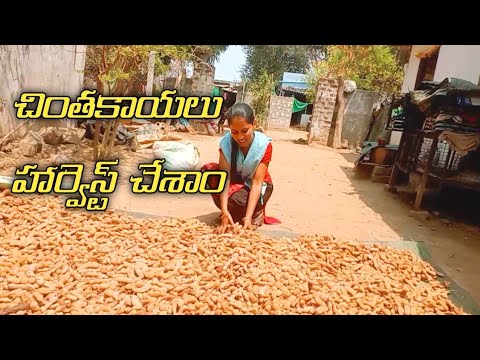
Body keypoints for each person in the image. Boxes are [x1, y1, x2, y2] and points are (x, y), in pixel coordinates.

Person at [201, 103, 280, 234]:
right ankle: (229, 213)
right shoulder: (226, 143)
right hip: (236, 182)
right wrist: (224, 211)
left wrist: (248, 218)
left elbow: (257, 183)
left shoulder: (264, 145)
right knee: (208, 172)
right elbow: (224, 179)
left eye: (244, 131)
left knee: (238, 200)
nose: (239, 137)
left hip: (258, 186)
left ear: (254, 124)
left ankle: (255, 213)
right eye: (234, 132)